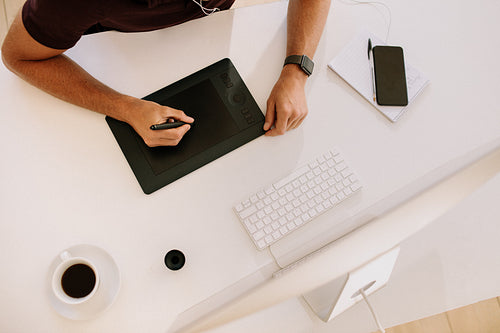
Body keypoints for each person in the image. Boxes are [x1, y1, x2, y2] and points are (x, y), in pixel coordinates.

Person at [1, 0, 330, 147]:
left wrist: (297, 68)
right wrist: (126, 107)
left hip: (207, 39)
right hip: (116, 50)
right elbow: (18, 56)